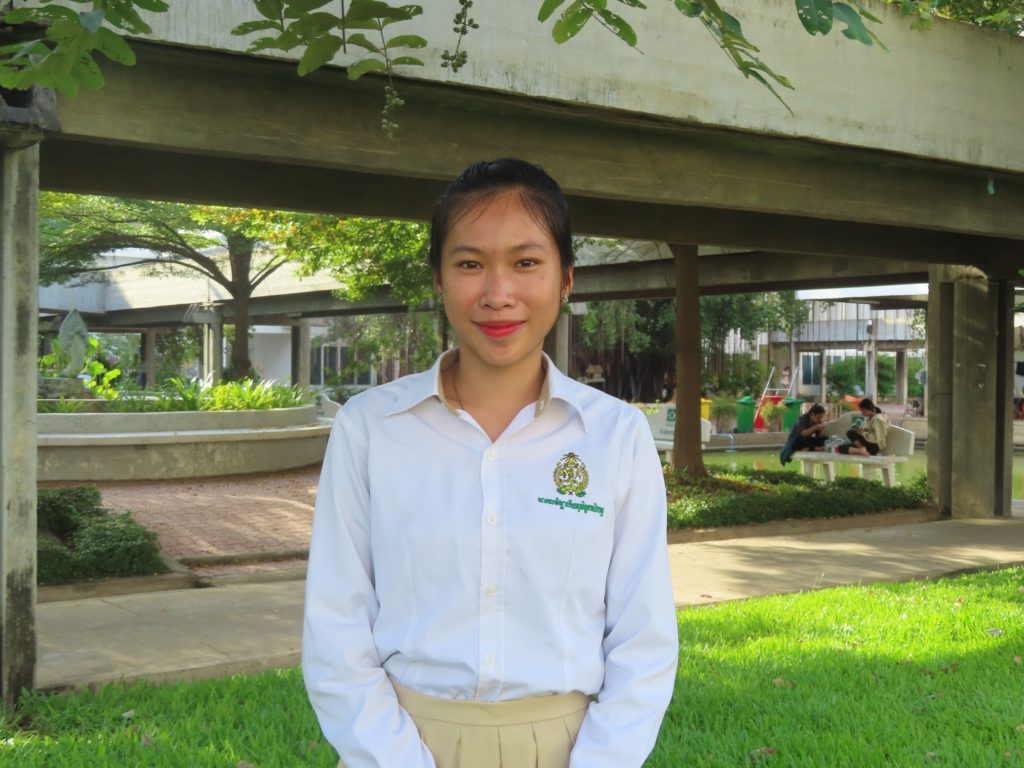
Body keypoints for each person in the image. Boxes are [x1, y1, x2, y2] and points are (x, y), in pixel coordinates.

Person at [302, 158, 679, 768]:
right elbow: (336, 625)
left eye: (526, 263)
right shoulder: (370, 428)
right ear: (440, 279)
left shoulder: (615, 435)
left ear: (566, 279)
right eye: (470, 263)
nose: (498, 294)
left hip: (567, 749)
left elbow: (643, 636)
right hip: (398, 744)